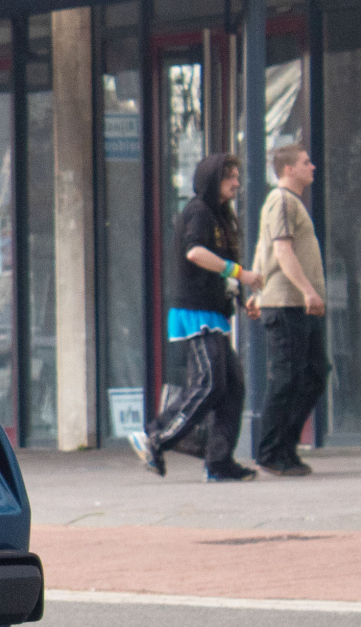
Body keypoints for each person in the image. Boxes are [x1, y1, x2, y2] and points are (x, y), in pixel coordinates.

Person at [135, 151, 263, 481]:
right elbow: (195, 252)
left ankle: (219, 462)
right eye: (229, 177)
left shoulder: (221, 217)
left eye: (237, 176)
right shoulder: (199, 212)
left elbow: (220, 270)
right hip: (195, 313)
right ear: (212, 180)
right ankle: (156, 436)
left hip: (213, 312)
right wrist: (241, 272)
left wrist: (241, 295)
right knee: (209, 384)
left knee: (231, 388)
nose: (236, 182)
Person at [252, 143, 330, 477]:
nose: (312, 167)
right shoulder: (281, 200)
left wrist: (257, 290)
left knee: (312, 373)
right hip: (288, 304)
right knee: (286, 377)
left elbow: (262, 248)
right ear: (288, 169)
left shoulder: (290, 203)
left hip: (295, 303)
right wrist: (308, 291)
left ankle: (285, 447)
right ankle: (271, 452)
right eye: (305, 162)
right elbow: (281, 250)